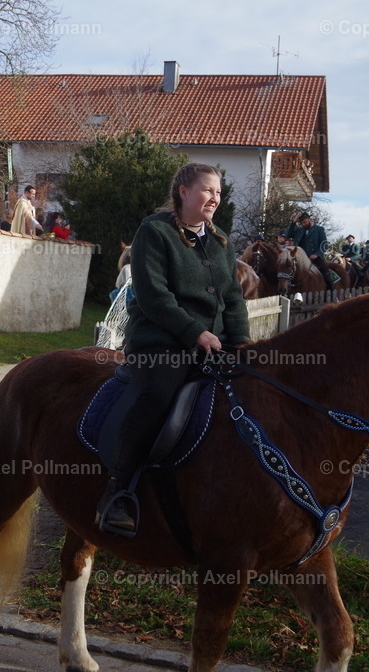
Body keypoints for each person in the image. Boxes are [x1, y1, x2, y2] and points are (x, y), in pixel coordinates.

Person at [96, 162, 251, 536]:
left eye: (218, 192)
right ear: (184, 192)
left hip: (213, 344)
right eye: (207, 190)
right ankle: (118, 490)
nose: (215, 198)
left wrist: (243, 343)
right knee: (157, 393)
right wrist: (195, 332)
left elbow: (232, 298)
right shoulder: (155, 230)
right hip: (160, 341)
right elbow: (153, 294)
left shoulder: (221, 242)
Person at [292, 211, 333, 293]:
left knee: (326, 274)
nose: (303, 224)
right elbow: (289, 234)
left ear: (310, 220)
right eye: (301, 223)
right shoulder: (300, 230)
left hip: (316, 258)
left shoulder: (319, 229)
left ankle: (331, 293)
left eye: (305, 222)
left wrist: (317, 254)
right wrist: (294, 221)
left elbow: (324, 244)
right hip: (302, 259)